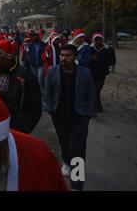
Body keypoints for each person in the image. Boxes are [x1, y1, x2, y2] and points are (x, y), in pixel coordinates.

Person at [45, 44, 95, 191]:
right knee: (64, 142)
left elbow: (90, 94)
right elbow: (49, 92)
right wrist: (50, 109)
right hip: (59, 116)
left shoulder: (85, 73)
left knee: (78, 149)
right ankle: (67, 161)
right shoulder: (52, 71)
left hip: (79, 117)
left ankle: (77, 183)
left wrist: (87, 112)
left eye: (67, 55)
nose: (63, 58)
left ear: (75, 57)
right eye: (61, 55)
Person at [0, 39, 42, 134]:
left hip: (15, 127)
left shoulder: (24, 75)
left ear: (6, 57)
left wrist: (21, 130)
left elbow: (35, 108)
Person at [90, 33, 116, 113]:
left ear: (102, 40)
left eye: (99, 39)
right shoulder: (90, 48)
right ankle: (97, 107)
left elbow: (113, 61)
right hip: (91, 73)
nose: (98, 41)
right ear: (93, 40)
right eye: (96, 39)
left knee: (97, 90)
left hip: (102, 73)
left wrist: (100, 59)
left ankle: (94, 108)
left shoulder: (108, 49)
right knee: (93, 90)